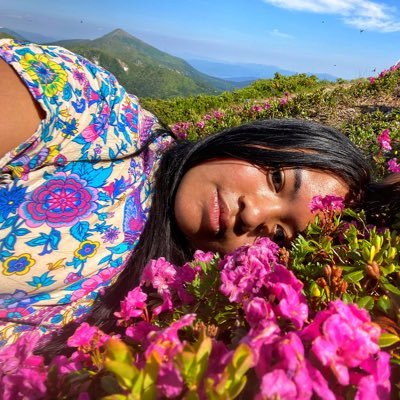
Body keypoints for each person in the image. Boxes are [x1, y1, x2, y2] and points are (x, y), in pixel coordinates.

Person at [0, 38, 383, 354]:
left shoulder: (175, 300)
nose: (253, 215)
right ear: (257, 137)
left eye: (280, 234)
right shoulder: (87, 111)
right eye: (278, 178)